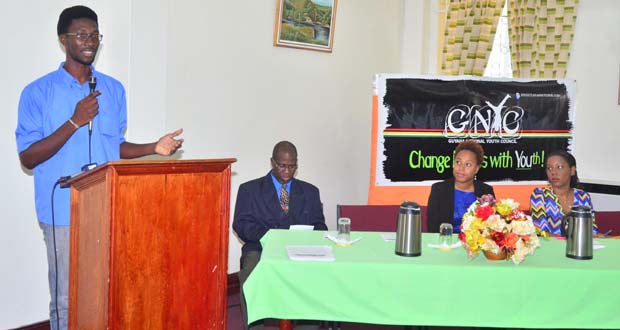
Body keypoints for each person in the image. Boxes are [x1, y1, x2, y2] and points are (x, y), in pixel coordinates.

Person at [15, 6, 183, 330]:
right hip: (62, 212)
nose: (89, 41)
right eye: (81, 35)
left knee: (107, 290)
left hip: (108, 207)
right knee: (66, 298)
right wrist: (74, 121)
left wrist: (153, 148)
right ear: (63, 40)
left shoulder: (113, 89)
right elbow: (28, 157)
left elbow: (113, 147)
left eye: (94, 35)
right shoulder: (37, 93)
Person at [233, 141, 327, 330]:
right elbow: (241, 224)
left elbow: (320, 225)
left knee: (316, 273)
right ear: (272, 162)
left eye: (292, 166)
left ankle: (307, 324)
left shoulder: (310, 192)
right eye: (282, 165)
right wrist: (271, 237)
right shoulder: (249, 190)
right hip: (261, 248)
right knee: (252, 271)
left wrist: (309, 234)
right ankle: (254, 325)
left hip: (300, 248)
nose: (287, 170)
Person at [427, 140, 495, 233]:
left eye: (468, 164)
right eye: (458, 162)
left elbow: (490, 228)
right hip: (445, 244)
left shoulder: (485, 191)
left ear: (476, 169)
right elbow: (432, 229)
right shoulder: (439, 190)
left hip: (475, 245)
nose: (461, 168)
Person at [530, 150, 598, 236]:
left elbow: (591, 230)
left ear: (572, 170)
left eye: (559, 167)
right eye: (549, 168)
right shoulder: (539, 195)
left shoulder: (583, 196)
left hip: (579, 247)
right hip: (551, 247)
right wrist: (569, 241)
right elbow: (541, 233)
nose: (553, 172)